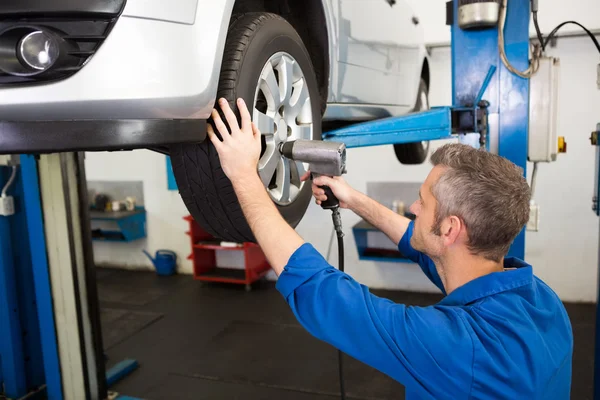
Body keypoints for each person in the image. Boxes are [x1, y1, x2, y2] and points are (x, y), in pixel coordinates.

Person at [207, 97, 573, 399]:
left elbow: (324, 295)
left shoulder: (462, 350)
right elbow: (424, 248)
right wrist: (354, 200)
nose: (413, 209)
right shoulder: (542, 300)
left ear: (449, 229)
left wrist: (242, 175)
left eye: (422, 202)